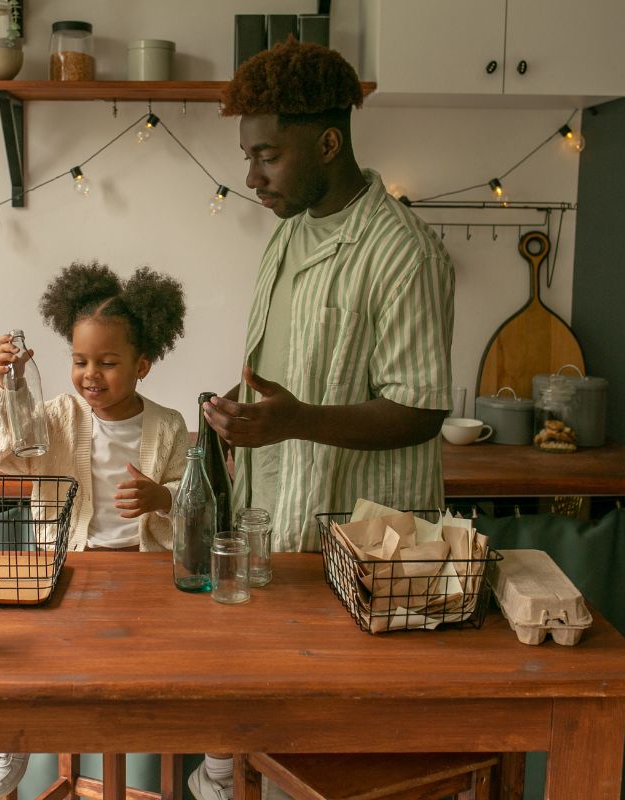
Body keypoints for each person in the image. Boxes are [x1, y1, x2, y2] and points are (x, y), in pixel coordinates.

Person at [192, 38, 455, 800]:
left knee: (346, 769)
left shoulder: (402, 252)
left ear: (329, 142)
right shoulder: (289, 234)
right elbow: (290, 381)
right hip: (286, 545)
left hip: (371, 558)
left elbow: (422, 410)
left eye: (268, 155)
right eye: (248, 156)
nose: (251, 177)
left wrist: (295, 419)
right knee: (276, 753)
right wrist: (243, 417)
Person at [0, 260, 189, 799]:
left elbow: (196, 498)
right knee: (25, 647)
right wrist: (11, 382)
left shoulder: (167, 425)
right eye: (79, 360)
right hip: (69, 562)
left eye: (108, 362)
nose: (91, 374)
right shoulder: (58, 417)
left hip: (145, 573)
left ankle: (218, 763)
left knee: (198, 658)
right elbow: (8, 446)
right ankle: (11, 737)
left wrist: (162, 497)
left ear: (142, 365)